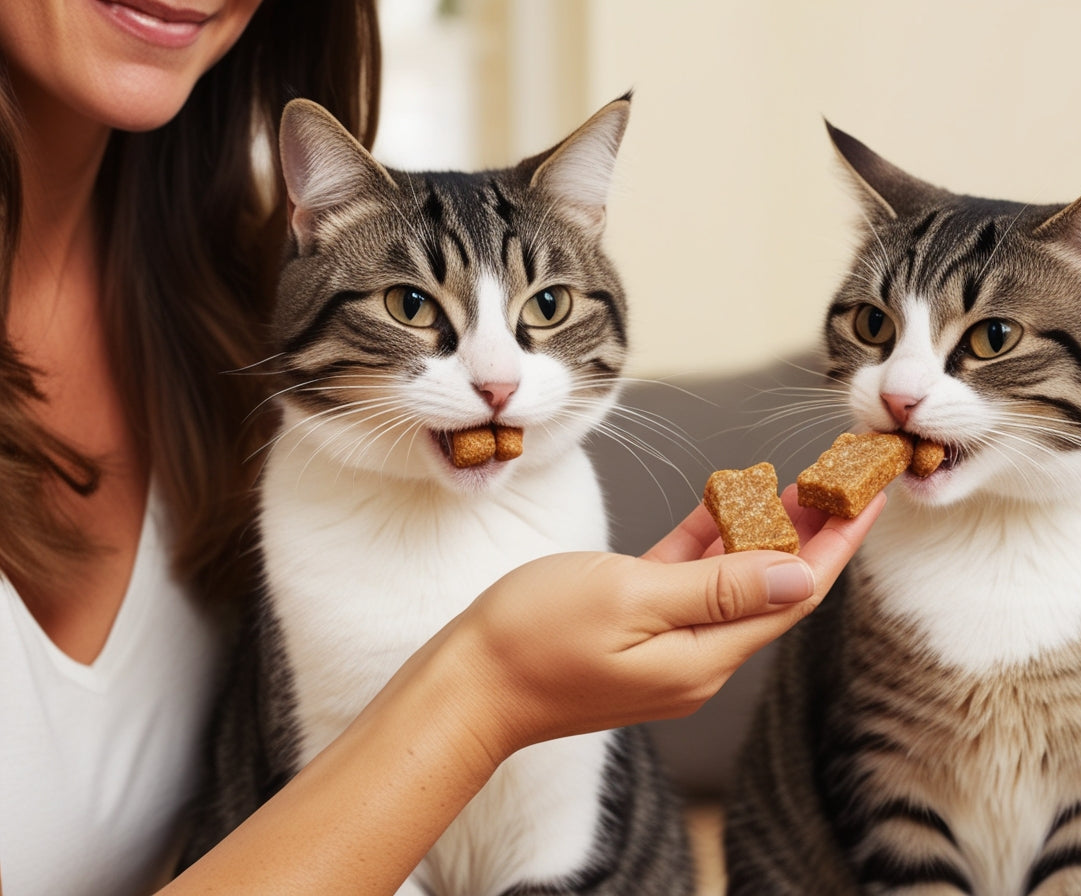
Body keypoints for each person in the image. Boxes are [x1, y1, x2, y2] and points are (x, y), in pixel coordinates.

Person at [0, 2, 884, 894]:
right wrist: (490, 685)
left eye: (545, 311)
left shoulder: (208, 292)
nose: (497, 380)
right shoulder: (301, 436)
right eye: (416, 308)